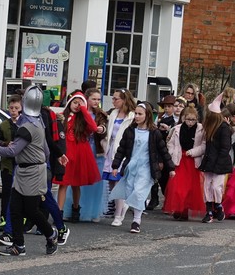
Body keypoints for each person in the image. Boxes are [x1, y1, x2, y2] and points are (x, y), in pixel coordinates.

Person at [0, 85, 58, 257]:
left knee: (31, 210)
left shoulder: (27, 127)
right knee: (15, 208)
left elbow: (13, 151)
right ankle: (18, 245)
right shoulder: (38, 122)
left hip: (31, 171)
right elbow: (46, 151)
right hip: (27, 170)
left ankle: (51, 234)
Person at [109, 102, 174, 233]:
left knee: (139, 192)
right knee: (130, 191)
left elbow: (163, 151)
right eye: (136, 114)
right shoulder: (130, 131)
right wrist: (115, 166)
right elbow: (122, 149)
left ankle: (136, 221)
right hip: (132, 166)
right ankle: (128, 207)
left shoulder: (154, 133)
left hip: (146, 167)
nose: (137, 116)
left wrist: (171, 168)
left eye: (140, 114)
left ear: (147, 115)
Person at [64, 88, 108, 223]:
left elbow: (103, 128)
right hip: (79, 148)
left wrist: (102, 129)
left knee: (95, 183)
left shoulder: (100, 114)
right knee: (75, 181)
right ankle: (71, 209)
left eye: (98, 99)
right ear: (86, 98)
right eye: (93, 99)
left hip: (95, 150)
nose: (96, 102)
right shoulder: (77, 112)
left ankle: (92, 211)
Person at [56, 92, 101, 221]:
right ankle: (59, 212)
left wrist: (84, 110)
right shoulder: (63, 117)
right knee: (63, 183)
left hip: (79, 154)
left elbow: (94, 128)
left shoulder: (83, 119)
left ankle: (76, 209)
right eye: (75, 103)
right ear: (69, 103)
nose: (77, 105)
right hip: (65, 153)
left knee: (76, 184)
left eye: (80, 103)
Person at [163, 107, 205, 220]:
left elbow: (204, 145)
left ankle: (185, 210)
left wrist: (192, 152)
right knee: (177, 186)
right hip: (179, 159)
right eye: (188, 119)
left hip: (192, 160)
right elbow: (170, 143)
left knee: (190, 188)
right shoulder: (177, 129)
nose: (190, 122)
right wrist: (172, 154)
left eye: (193, 120)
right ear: (183, 118)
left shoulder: (201, 129)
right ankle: (177, 208)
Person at [102, 89, 136, 218]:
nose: (113, 101)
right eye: (113, 98)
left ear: (124, 100)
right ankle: (119, 206)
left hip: (122, 151)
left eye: (116, 99)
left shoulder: (131, 116)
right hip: (111, 149)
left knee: (117, 181)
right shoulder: (113, 113)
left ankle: (118, 213)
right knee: (111, 181)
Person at [198, 100, 233, 223]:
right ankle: (209, 211)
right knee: (207, 186)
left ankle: (218, 205)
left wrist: (219, 163)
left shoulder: (224, 128)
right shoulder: (208, 127)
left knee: (216, 186)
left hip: (220, 162)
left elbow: (225, 147)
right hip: (209, 160)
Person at [0, 95, 21, 233]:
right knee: (6, 193)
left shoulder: (25, 124)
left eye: (16, 108)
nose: (13, 110)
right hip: (7, 165)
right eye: (11, 108)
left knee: (20, 194)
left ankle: (20, 219)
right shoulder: (4, 125)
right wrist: (6, 144)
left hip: (21, 165)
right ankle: (4, 219)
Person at [148, 94, 178, 210]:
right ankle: (154, 198)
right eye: (165, 106)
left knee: (166, 178)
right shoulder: (160, 118)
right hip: (159, 149)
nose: (167, 109)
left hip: (170, 151)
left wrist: (168, 129)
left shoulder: (176, 120)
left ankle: (169, 200)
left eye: (169, 106)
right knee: (156, 176)